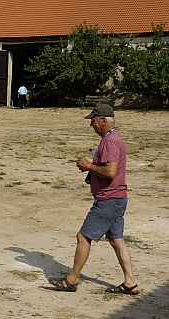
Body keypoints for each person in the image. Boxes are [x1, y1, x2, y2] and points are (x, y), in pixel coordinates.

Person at [48, 104, 138, 295]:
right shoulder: (111, 138)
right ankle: (130, 282)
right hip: (116, 198)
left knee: (83, 237)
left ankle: (72, 280)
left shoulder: (111, 141)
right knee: (116, 240)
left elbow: (110, 172)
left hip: (108, 200)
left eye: (93, 120)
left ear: (103, 120)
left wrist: (88, 166)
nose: (91, 125)